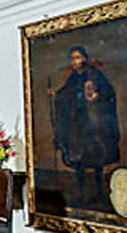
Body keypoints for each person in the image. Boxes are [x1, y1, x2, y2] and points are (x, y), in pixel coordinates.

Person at [50, 46, 121, 205]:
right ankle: (83, 194)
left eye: (78, 58)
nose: (75, 62)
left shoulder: (94, 74)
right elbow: (66, 92)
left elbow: (108, 92)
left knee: (97, 160)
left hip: (94, 123)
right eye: (72, 58)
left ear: (84, 58)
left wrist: (97, 95)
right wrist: (57, 95)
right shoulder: (73, 77)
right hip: (78, 125)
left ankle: (101, 193)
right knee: (79, 161)